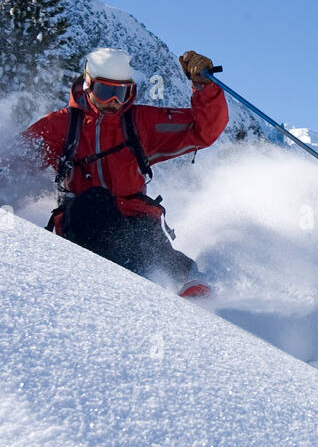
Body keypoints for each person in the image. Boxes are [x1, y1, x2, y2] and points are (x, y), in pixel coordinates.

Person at [22, 47, 228, 297]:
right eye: (105, 92)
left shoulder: (139, 123)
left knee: (147, 239)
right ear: (88, 85)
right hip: (84, 222)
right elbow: (15, 157)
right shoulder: (62, 125)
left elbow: (202, 130)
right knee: (92, 203)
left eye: (121, 93)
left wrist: (204, 87)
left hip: (136, 218)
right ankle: (126, 283)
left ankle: (189, 283)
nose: (114, 102)